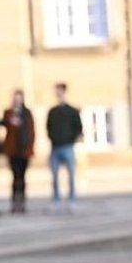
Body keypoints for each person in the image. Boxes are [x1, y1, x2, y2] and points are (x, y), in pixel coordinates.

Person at [47, 82, 83, 213]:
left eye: (60, 91)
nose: (58, 93)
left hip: (68, 147)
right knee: (54, 176)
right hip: (55, 147)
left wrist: (71, 139)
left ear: (64, 92)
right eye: (57, 91)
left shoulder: (72, 111)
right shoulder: (53, 112)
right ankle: (56, 200)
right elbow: (48, 127)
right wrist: (52, 138)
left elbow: (79, 128)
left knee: (71, 175)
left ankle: (72, 200)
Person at [1, 90, 35, 214]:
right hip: (13, 151)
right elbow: (3, 123)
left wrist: (30, 148)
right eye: (15, 99)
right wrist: (10, 121)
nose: (17, 101)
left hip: (24, 152)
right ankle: (14, 203)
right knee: (15, 177)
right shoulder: (8, 112)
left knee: (22, 177)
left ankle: (22, 203)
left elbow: (31, 131)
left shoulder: (27, 113)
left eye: (19, 98)